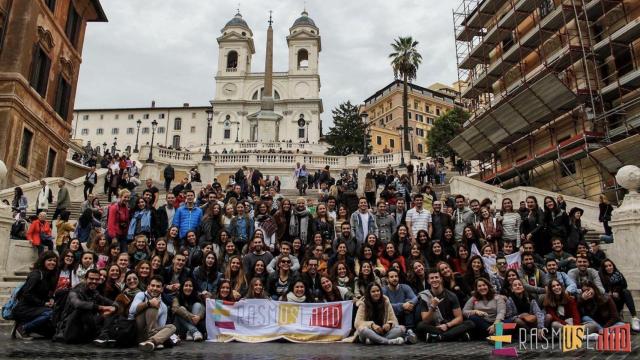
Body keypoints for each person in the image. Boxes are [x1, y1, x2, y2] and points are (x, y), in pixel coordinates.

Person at [54, 269, 118, 344]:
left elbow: (112, 302)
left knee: (109, 313)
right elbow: (77, 304)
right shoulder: (75, 291)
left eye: (96, 279)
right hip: (69, 330)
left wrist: (114, 308)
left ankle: (103, 335)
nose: (94, 281)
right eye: (91, 279)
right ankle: (99, 335)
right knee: (83, 309)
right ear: (85, 279)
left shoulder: (95, 292)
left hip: (85, 328)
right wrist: (102, 307)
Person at [415, 269, 475, 342]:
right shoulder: (425, 296)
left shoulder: (451, 295)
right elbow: (425, 319)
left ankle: (440, 337)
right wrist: (432, 307)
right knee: (420, 326)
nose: (434, 280)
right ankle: (456, 335)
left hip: (450, 325)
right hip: (435, 326)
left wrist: (447, 325)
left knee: (470, 323)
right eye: (432, 278)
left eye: (436, 277)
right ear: (428, 281)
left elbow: (459, 318)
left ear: (441, 279)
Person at [11, 251, 58, 340]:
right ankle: (22, 328)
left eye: (54, 261)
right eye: (49, 260)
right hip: (25, 308)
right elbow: (26, 294)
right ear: (43, 261)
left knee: (51, 333)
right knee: (49, 313)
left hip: (37, 307)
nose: (52, 263)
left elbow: (46, 293)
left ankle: (24, 324)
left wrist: (51, 299)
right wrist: (44, 303)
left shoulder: (49, 276)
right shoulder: (36, 274)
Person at [129, 275, 177, 352]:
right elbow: (131, 311)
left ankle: (150, 341)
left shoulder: (163, 306)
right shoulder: (141, 295)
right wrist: (148, 303)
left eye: (158, 286)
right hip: (136, 331)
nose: (154, 288)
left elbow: (161, 327)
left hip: (150, 334)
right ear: (148, 287)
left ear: (161, 289)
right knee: (153, 306)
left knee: (172, 327)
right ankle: (155, 341)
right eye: (153, 285)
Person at [599, 259, 640, 331]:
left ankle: (634, 317)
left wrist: (617, 291)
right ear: (603, 268)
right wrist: (609, 293)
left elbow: (624, 285)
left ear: (613, 266)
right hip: (607, 302)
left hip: (618, 300)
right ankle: (616, 317)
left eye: (610, 265)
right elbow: (601, 289)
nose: (608, 268)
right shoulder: (601, 277)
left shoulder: (618, 274)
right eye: (606, 266)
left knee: (626, 292)